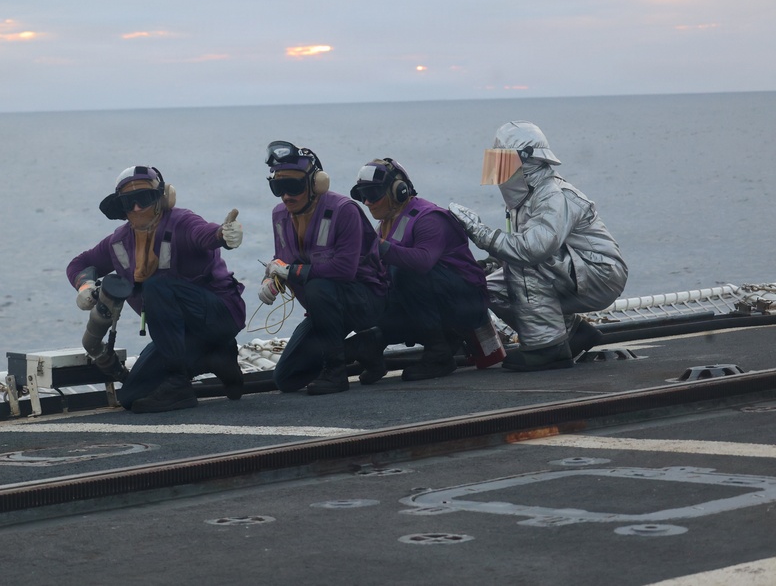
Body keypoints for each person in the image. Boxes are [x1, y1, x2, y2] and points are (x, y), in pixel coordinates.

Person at [449, 121, 628, 372]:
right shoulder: (528, 195)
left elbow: (532, 250)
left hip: (600, 272)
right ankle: (572, 334)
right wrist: (490, 264)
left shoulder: (553, 195)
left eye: (505, 163)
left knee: (524, 261)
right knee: (486, 288)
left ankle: (547, 349)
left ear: (527, 161)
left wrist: (479, 232)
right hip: (579, 271)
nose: (499, 171)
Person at [66, 165, 246, 413]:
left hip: (219, 317)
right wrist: (84, 284)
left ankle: (179, 386)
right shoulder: (118, 242)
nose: (137, 208)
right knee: (131, 396)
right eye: (129, 202)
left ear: (161, 198)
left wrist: (223, 235)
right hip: (180, 335)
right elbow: (79, 264)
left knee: (156, 286)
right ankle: (219, 359)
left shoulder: (182, 221)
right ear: (121, 207)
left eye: (144, 198)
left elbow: (205, 234)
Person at [259, 141, 388, 395]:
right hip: (323, 309)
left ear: (316, 183)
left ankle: (336, 372)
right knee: (286, 378)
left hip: (364, 301)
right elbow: (282, 259)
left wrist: (291, 272)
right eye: (278, 188)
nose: (286, 196)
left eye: (293, 187)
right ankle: (364, 348)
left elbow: (344, 269)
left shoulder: (344, 210)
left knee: (317, 286)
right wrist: (272, 280)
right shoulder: (279, 216)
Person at [349, 158, 492, 383]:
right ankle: (375, 350)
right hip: (432, 302)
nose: (367, 202)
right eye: (362, 196)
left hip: (468, 303)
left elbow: (423, 262)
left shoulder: (429, 218)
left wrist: (376, 246)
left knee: (404, 272)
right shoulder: (385, 225)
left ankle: (439, 354)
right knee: (365, 296)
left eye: (373, 194)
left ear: (398, 191)